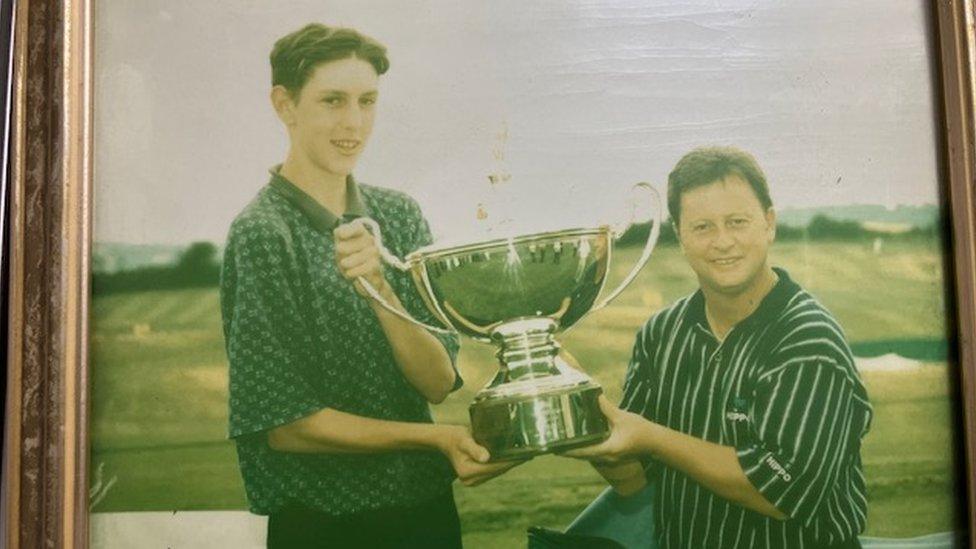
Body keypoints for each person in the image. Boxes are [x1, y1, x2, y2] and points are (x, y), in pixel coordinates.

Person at [220, 23, 515, 549]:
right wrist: (437, 438)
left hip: (425, 513)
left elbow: (437, 381)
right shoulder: (263, 233)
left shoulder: (398, 216)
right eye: (332, 100)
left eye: (367, 101)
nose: (353, 123)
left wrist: (379, 287)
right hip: (324, 523)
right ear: (284, 105)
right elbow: (285, 425)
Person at [563, 146, 872, 549]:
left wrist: (651, 437)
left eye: (737, 222)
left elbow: (782, 492)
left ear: (769, 224)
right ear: (681, 235)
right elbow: (635, 479)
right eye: (703, 227)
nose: (722, 242)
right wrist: (588, 420)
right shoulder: (661, 333)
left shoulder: (809, 339)